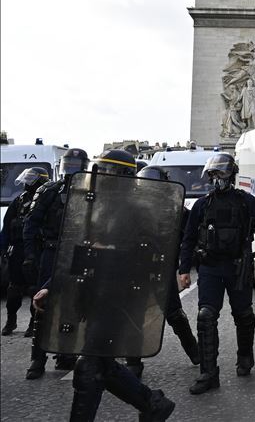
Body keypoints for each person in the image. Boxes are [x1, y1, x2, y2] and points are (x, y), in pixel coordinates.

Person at [31, 148, 176, 421]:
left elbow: (151, 257)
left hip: (121, 299)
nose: (103, 177)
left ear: (124, 176)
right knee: (102, 365)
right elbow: (79, 251)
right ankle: (153, 404)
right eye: (101, 170)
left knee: (88, 367)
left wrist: (109, 249)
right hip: (93, 295)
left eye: (108, 172)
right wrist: (52, 286)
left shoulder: (140, 212)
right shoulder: (96, 207)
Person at [179, 152, 255, 395]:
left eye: (220, 173)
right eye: (213, 174)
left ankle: (245, 356)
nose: (216, 178)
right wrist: (183, 269)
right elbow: (188, 238)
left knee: (243, 315)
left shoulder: (246, 202)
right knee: (206, 316)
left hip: (238, 267)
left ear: (230, 175)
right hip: (209, 268)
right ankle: (208, 374)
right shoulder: (202, 205)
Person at [125, 166, 200, 378]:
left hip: (161, 269)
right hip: (135, 269)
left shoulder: (176, 210)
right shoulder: (131, 210)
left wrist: (186, 265)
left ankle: (195, 353)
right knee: (133, 315)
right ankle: (133, 362)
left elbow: (190, 239)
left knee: (174, 314)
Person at [23, 148, 90, 379]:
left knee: (72, 306)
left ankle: (65, 353)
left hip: (79, 253)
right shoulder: (49, 190)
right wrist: (30, 255)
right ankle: (37, 360)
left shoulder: (91, 190)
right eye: (67, 163)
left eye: (75, 164)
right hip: (52, 252)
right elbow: (31, 223)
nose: (70, 168)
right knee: (42, 306)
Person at [1, 167, 49, 336]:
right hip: (18, 250)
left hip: (37, 250)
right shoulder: (19, 201)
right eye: (26, 178)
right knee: (14, 289)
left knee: (35, 288)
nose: (27, 182)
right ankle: (11, 321)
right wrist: (3, 249)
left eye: (31, 179)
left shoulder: (47, 200)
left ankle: (33, 323)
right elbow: (6, 227)